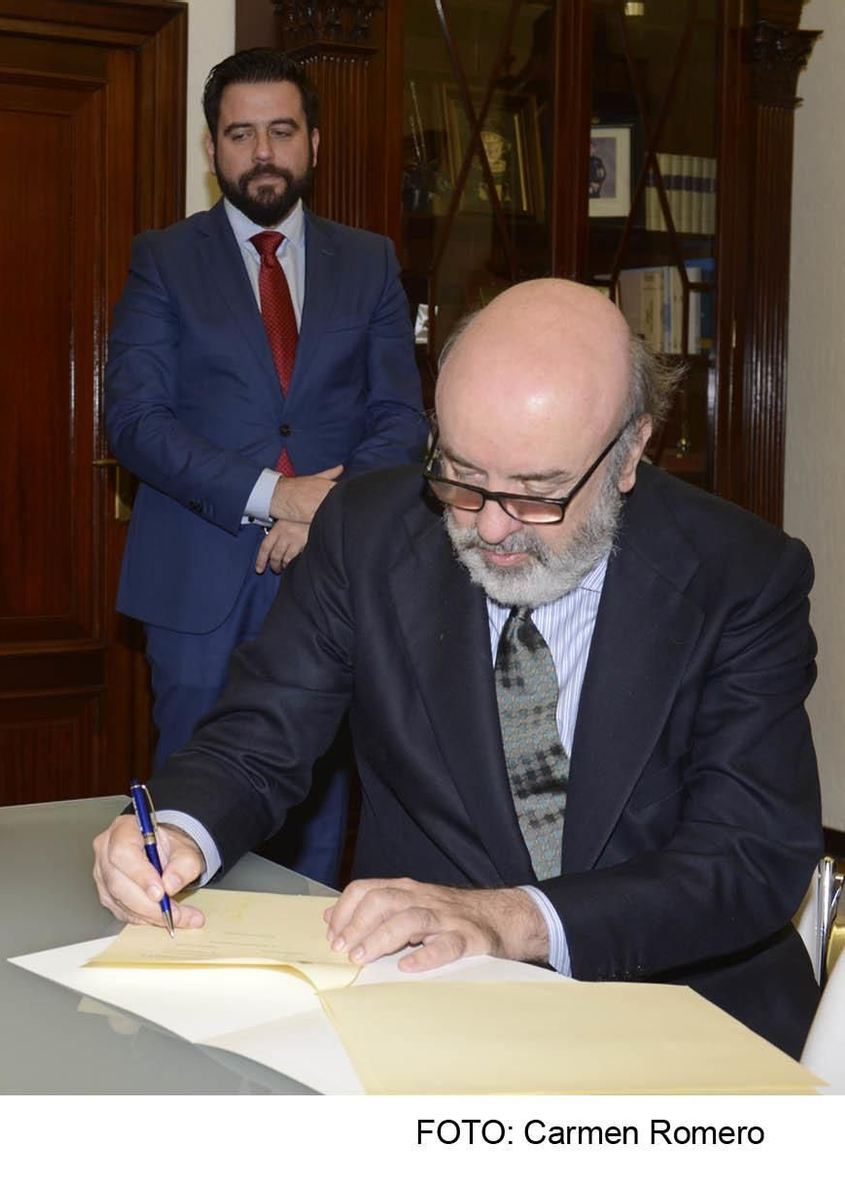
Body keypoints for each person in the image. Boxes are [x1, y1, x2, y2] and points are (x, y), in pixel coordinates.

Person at [92, 278, 823, 1056]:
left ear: (632, 448)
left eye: (538, 492)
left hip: (684, 1021)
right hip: (430, 1018)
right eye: (462, 476)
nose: (493, 526)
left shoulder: (740, 573)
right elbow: (258, 736)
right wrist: (175, 832)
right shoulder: (366, 533)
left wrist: (512, 918)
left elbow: (749, 854)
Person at [105, 48, 427, 886]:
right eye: (239, 134)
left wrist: (325, 508)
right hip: (198, 584)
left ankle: (302, 988)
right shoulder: (163, 258)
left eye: (280, 131)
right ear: (212, 149)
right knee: (187, 804)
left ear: (313, 142)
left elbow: (401, 416)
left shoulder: (371, 261)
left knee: (318, 801)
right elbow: (135, 420)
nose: (262, 153)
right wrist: (274, 493)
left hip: (334, 575)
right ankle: (178, 982)